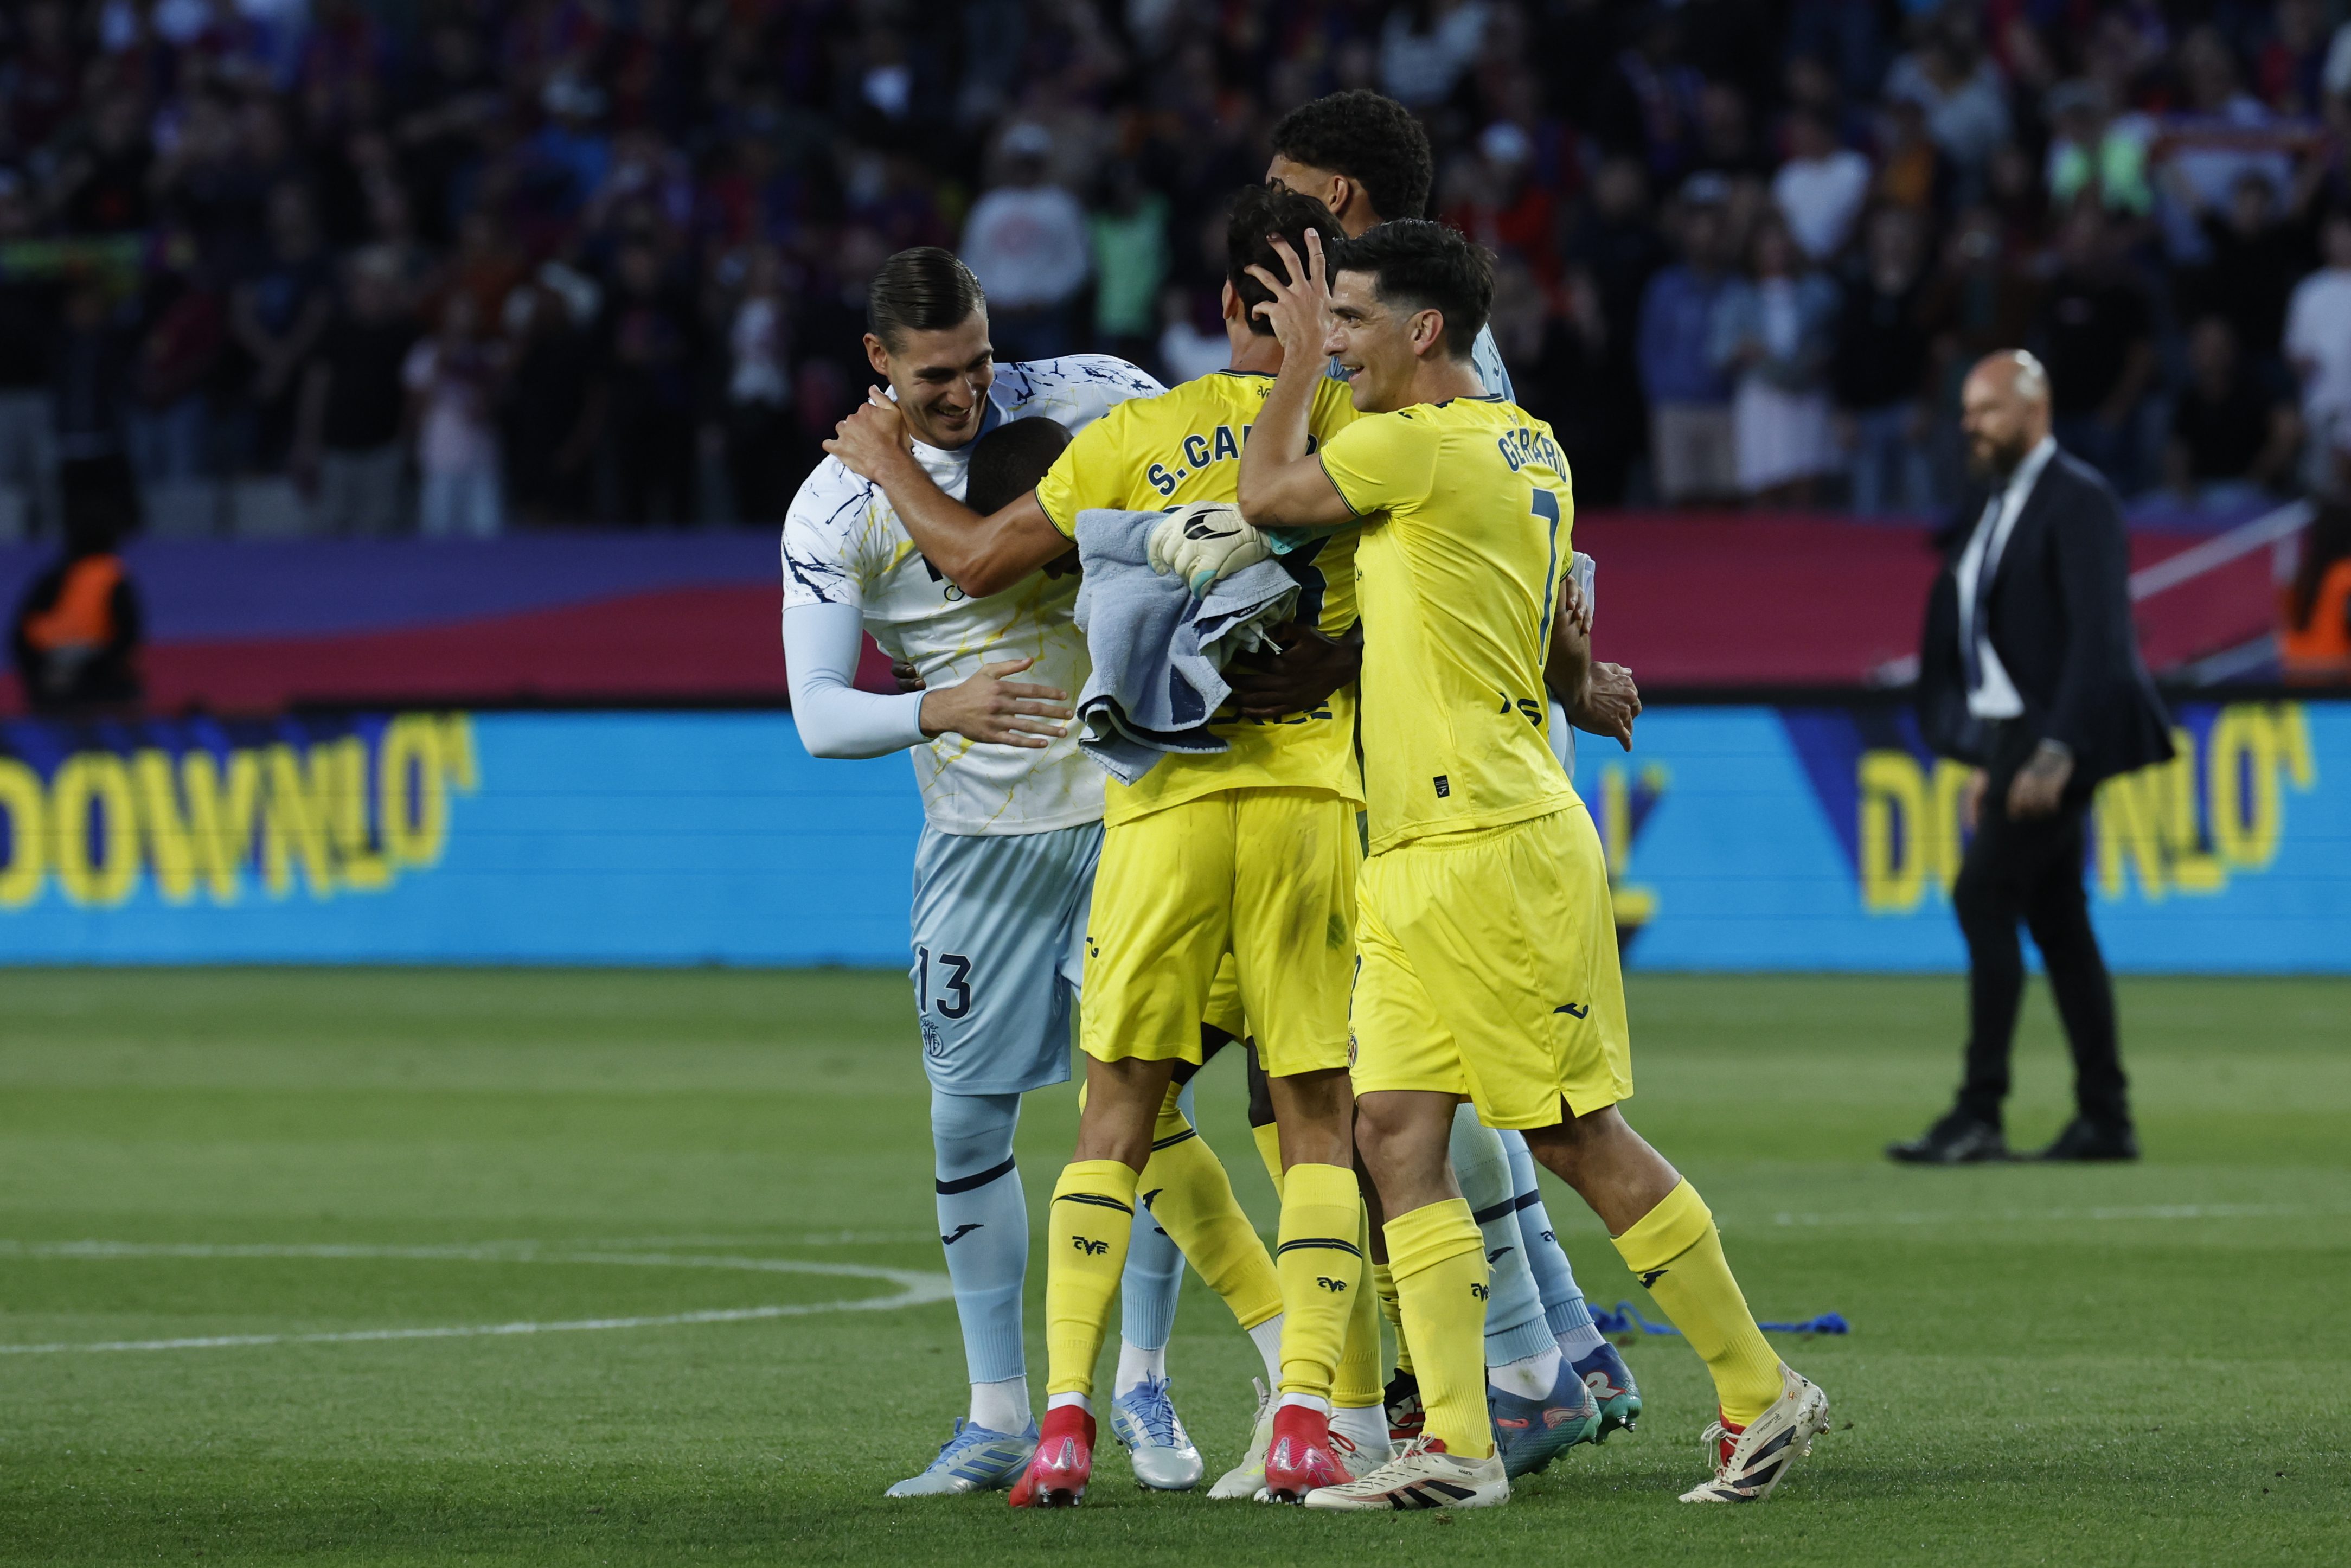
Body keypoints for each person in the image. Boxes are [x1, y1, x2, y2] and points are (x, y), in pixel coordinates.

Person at [1229, 218, 1830, 1511]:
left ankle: (1759, 1387)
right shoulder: (1528, 442)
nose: (1335, 346)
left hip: (1493, 843)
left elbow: (1266, 496)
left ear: (1422, 329)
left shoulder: (1411, 446)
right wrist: (1581, 680)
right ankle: (1457, 1442)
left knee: (1570, 1131)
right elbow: (1552, 610)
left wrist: (1288, 363)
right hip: (1415, 850)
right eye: (1328, 324)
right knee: (1394, 1131)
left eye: (1351, 322)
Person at [826, 189, 1401, 1509]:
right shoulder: (1368, 433)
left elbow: (978, 560)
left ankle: (1063, 1420)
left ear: (1222, 308)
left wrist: (885, 463)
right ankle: (1308, 1418)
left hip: (1153, 811)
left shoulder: (1132, 433)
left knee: (1117, 1112)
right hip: (1310, 803)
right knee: (1315, 1113)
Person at [784, 246, 1279, 1500]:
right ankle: (995, 1412)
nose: (966, 393)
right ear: (878, 362)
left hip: (1132, 810)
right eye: (935, 376)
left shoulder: (1098, 392)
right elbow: (817, 713)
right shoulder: (833, 510)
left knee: (1143, 1102)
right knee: (966, 1120)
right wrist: (935, 706)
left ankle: (1146, 1380)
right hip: (979, 845)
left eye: (980, 361)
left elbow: (1206, 482)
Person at [1266, 90, 1641, 1451]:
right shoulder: (1451, 357)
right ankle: (1556, 1354)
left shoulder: (1403, 374)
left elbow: (1316, 517)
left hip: (1445, 774)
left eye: (1289, 188)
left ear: (1339, 203)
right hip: (1473, 754)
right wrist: (1576, 675)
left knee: (1398, 1092)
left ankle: (1509, 1375)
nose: (1273, 210)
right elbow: (1538, 555)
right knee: (1423, 1095)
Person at [1898, 350, 2175, 1166]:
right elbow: (1999, 642)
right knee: (2057, 919)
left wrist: (2056, 749)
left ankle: (1978, 1109)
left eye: (1986, 409)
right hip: (2018, 734)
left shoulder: (2078, 498)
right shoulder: (2000, 500)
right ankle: (2105, 1115)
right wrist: (1991, 752)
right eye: (1966, 410)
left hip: (2057, 733)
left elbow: (2100, 635)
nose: (1970, 424)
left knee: (1981, 893)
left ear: (2033, 408)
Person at [1712, 214, 1841, 505]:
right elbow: (1718, 352)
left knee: (1805, 480)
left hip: (1806, 392)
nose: (1775, 252)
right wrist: (1744, 349)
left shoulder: (1819, 291)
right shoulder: (1738, 296)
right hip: (1762, 397)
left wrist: (1818, 356)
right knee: (1764, 481)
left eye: (1780, 244)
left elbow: (1835, 340)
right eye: (1766, 245)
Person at [294, 249, 418, 537]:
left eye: (378, 285)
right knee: (330, 528)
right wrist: (307, 441)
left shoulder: (405, 333)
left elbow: (415, 392)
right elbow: (316, 386)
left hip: (385, 449)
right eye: (363, 284)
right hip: (336, 449)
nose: (369, 292)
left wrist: (409, 443)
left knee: (382, 529)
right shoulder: (336, 330)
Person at [1637, 184, 1738, 503]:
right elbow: (1650, 349)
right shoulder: (1665, 287)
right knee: (1680, 501)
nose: (1705, 237)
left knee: (1726, 500)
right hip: (1676, 408)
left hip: (1726, 408)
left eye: (1713, 229)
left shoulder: (1737, 287)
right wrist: (1661, 399)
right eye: (1698, 227)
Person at [958, 124, 1091, 363]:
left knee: (1048, 382)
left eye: (1031, 161)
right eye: (1020, 161)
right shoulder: (989, 206)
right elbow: (972, 259)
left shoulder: (1061, 205)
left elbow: (1076, 262)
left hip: (1044, 318)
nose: (1025, 169)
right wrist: (987, 298)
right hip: (994, 316)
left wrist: (1046, 298)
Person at [10, 509, 142, 715]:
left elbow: (20, 636)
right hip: (97, 683)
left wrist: (39, 673)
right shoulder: (113, 578)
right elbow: (129, 633)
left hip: (52, 676)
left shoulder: (52, 578)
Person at [2164, 316, 2301, 509]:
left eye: (2218, 347)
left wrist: (2256, 480)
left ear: (2231, 350)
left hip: (2255, 494)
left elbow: (2289, 431)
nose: (2211, 355)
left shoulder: (2257, 388)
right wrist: (2183, 488)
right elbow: (2177, 450)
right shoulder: (2188, 399)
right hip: (2204, 496)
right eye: (2203, 347)